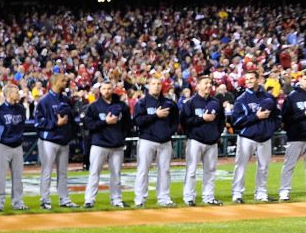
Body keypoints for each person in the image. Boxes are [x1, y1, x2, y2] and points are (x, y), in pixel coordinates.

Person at [229, 69, 280, 203]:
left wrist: (270, 129)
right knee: (241, 166)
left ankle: (261, 193)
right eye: (247, 79)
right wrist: (256, 117)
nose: (249, 81)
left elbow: (277, 116)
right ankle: (237, 194)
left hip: (265, 137)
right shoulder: (241, 99)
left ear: (258, 79)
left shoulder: (268, 97)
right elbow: (236, 121)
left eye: (251, 78)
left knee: (263, 167)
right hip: (247, 137)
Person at [81, 82, 132, 208]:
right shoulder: (94, 106)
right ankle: (89, 199)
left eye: (109, 88)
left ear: (113, 89)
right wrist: (105, 122)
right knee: (94, 172)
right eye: (104, 88)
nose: (107, 91)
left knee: (116, 174)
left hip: (117, 145)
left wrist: (121, 136)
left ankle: (116, 199)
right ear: (100, 90)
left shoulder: (121, 106)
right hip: (99, 144)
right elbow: (88, 125)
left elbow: (128, 124)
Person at [33, 73, 79, 209]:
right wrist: (55, 123)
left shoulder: (66, 99)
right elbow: (38, 123)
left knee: (63, 172)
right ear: (54, 82)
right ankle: (45, 200)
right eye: (63, 80)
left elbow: (72, 119)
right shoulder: (44, 101)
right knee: (46, 171)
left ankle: (64, 199)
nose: (66, 82)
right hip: (49, 140)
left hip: (63, 140)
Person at [132, 77, 179, 208]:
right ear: (148, 86)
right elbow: (137, 121)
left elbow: (176, 121)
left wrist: (170, 132)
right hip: (147, 139)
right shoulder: (142, 103)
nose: (156, 86)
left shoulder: (169, 103)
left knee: (165, 170)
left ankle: (164, 197)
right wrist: (155, 115)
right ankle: (140, 198)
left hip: (165, 141)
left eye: (159, 84)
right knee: (143, 170)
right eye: (153, 84)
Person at [179, 75, 225, 207]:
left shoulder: (216, 102)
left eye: (210, 83)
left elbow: (221, 121)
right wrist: (202, 119)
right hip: (195, 141)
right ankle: (189, 197)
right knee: (192, 170)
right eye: (205, 83)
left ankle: (208, 197)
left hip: (212, 142)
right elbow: (185, 122)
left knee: (210, 171)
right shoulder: (190, 103)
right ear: (197, 86)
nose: (208, 86)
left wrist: (217, 134)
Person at [0, 84, 28, 212]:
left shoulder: (21, 109)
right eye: (16, 92)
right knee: (1, 177)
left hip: (17, 146)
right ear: (9, 94)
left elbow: (22, 126)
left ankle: (18, 202)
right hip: (3, 146)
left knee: (18, 177)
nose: (18, 94)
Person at [277, 72, 306, 201]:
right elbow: (285, 118)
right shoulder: (292, 96)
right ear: (300, 79)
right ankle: (284, 191)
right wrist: (303, 114)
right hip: (296, 136)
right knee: (289, 165)